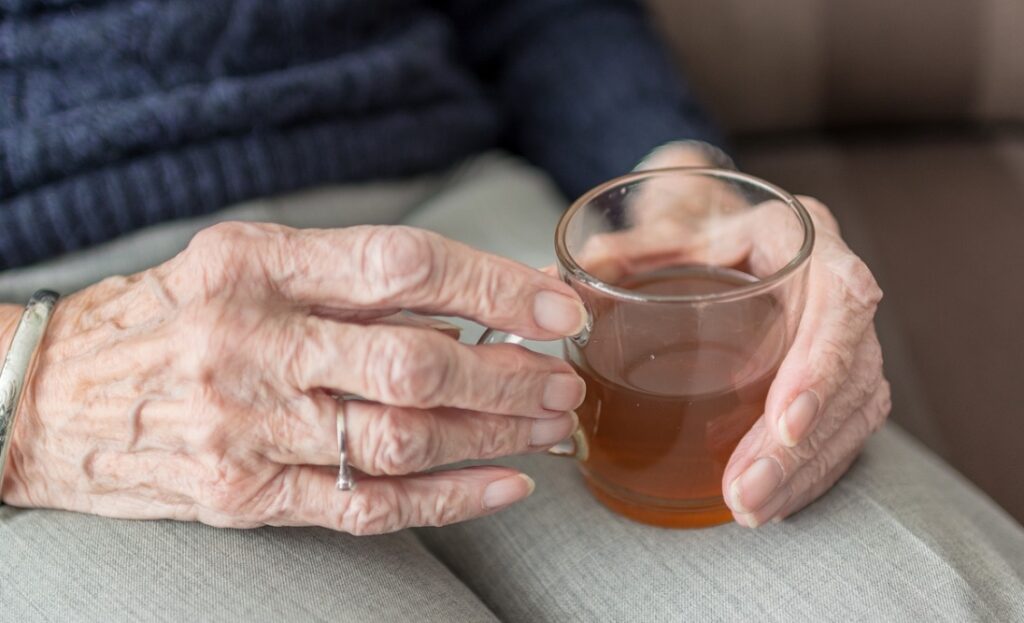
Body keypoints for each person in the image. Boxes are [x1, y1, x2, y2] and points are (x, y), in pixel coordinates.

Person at [0, 1, 1021, 620]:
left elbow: (539, 9)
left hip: (454, 212)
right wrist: (34, 388)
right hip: (56, 317)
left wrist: (673, 189)